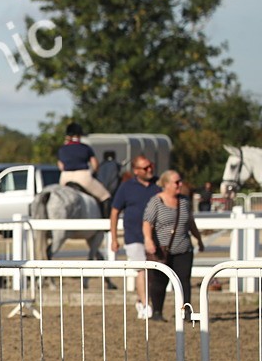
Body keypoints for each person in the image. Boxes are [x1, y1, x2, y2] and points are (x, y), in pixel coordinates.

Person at [143, 169, 204, 321]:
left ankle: (187, 312)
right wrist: (148, 240)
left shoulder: (184, 201)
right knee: (159, 281)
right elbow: (147, 222)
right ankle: (157, 312)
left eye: (180, 181)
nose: (180, 184)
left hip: (183, 248)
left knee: (184, 280)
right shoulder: (156, 201)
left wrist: (199, 239)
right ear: (166, 184)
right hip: (162, 250)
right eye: (176, 182)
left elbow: (190, 223)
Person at [109, 155, 161, 319]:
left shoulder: (159, 185)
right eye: (145, 168)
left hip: (155, 237)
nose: (150, 169)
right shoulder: (126, 187)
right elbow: (115, 212)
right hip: (133, 236)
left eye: (150, 165)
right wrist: (114, 238)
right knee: (142, 270)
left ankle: (141, 299)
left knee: (154, 272)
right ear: (136, 171)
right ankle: (146, 305)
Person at [57, 122, 111, 216]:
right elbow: (95, 164)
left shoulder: (62, 149)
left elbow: (60, 166)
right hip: (83, 177)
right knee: (106, 197)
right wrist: (94, 173)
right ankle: (106, 226)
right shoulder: (85, 148)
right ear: (79, 135)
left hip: (65, 177)